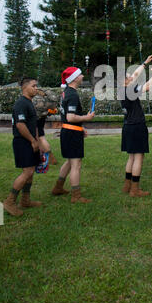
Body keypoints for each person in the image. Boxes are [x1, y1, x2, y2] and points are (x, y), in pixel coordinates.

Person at [120, 55, 152, 197]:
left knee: (131, 157)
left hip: (127, 126)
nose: (131, 77)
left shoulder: (122, 90)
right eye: (128, 77)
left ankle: (127, 186)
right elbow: (148, 86)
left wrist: (145, 63)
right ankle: (135, 190)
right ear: (125, 80)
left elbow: (136, 74)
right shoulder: (130, 90)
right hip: (137, 126)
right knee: (139, 157)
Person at [51, 67, 95, 203]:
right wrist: (86, 118)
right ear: (75, 78)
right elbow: (70, 117)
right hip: (71, 133)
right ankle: (76, 196)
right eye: (80, 74)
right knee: (76, 164)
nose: (82, 76)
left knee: (70, 161)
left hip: (68, 131)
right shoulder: (73, 95)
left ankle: (58, 188)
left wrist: (80, 128)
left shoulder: (66, 92)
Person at [3, 77, 41, 217]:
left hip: (31, 142)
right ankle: (9, 202)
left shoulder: (29, 103)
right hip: (22, 142)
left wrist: (37, 142)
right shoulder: (21, 103)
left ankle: (25, 200)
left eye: (37, 86)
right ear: (25, 87)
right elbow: (20, 125)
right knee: (27, 172)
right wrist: (32, 141)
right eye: (34, 86)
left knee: (30, 171)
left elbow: (33, 125)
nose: (36, 88)